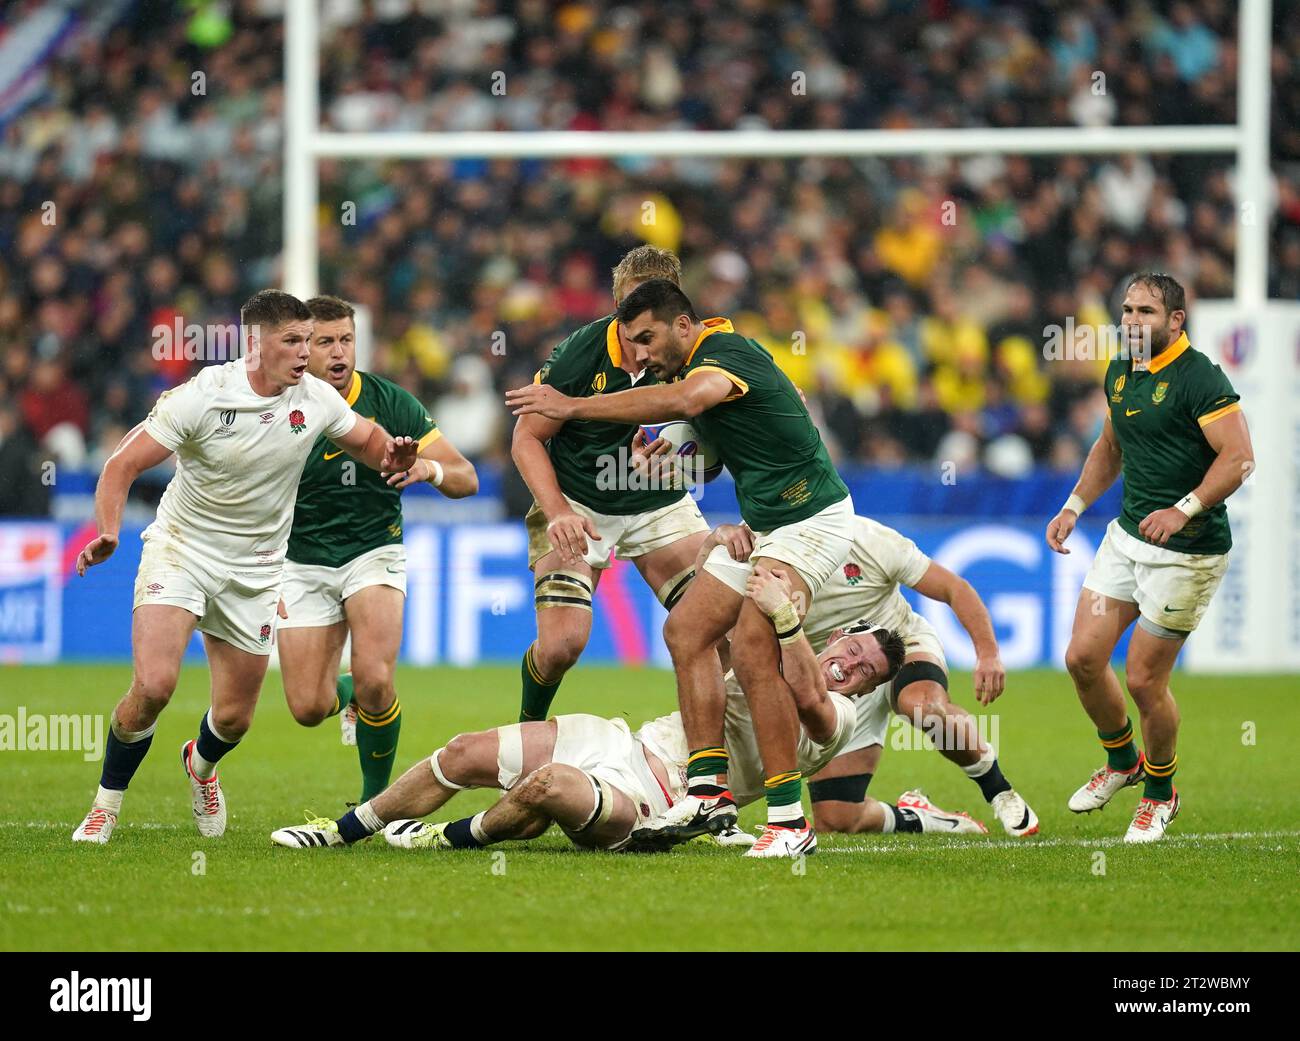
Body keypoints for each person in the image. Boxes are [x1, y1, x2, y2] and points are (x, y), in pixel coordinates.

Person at [509, 279, 856, 857]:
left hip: (811, 521)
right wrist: (673, 454)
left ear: (683, 323)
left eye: (649, 338)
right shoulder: (636, 359)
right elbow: (712, 442)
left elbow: (695, 400)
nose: (640, 354)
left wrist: (573, 407)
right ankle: (708, 792)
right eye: (632, 341)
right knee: (687, 631)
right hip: (763, 525)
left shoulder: (720, 357)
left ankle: (790, 820)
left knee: (747, 649)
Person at [71, 290, 420, 845]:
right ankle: (105, 804)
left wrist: (392, 457)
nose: (306, 353)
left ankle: (202, 767)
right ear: (255, 344)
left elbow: (368, 440)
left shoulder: (316, 399)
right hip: (182, 551)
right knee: (155, 684)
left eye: (310, 340)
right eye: (293, 341)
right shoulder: (202, 397)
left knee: (233, 719)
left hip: (256, 571)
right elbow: (121, 465)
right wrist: (108, 530)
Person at [269, 569, 928, 855]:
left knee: (547, 788)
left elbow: (810, 697)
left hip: (657, 800)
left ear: (865, 690)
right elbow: (703, 626)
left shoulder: (835, 718)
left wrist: (787, 622)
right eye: (852, 648)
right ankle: (343, 830)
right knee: (465, 749)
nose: (850, 664)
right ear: (838, 637)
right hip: (619, 739)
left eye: (865, 669)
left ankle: (446, 837)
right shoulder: (765, 647)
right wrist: (720, 554)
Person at [1046, 272, 1253, 842]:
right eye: (1127, 310)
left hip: (1188, 553)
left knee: (1142, 680)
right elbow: (1110, 447)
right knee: (1082, 659)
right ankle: (1122, 762)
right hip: (1128, 538)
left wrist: (1183, 509)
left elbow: (1239, 458)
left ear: (1175, 322)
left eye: (1145, 313)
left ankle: (1161, 792)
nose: (1132, 321)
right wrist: (1074, 505)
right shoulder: (1121, 369)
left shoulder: (1199, 378)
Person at [277, 295, 477, 802]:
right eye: (325, 342)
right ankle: (344, 695)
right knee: (306, 708)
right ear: (302, 347)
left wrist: (427, 469)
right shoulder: (279, 405)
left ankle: (373, 804)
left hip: (374, 552)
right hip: (301, 562)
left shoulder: (391, 402)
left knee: (375, 678)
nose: (339, 352)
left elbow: (466, 478)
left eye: (347, 340)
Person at [511, 246, 710, 726]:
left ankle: (706, 771)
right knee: (562, 645)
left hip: (655, 500)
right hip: (580, 497)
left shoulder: (703, 350)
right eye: (624, 311)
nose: (632, 327)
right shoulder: (579, 355)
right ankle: (528, 732)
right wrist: (558, 511)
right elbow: (525, 440)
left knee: (714, 632)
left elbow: (723, 428)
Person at [801, 516, 1038, 837]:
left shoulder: (869, 540)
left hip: (898, 646)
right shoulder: (771, 546)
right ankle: (921, 818)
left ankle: (999, 791)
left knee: (923, 707)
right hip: (839, 676)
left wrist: (988, 653)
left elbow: (955, 588)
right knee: (838, 820)